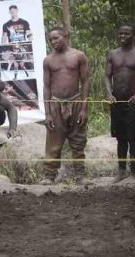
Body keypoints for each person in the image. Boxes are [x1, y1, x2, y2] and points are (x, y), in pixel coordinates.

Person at [42, 27, 89, 185]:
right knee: (53, 141)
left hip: (75, 102)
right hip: (56, 104)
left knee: (78, 140)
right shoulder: (48, 60)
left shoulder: (78, 56)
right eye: (51, 39)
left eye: (56, 38)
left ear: (65, 36)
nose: (53, 41)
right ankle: (49, 176)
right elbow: (47, 87)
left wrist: (83, 108)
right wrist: (47, 113)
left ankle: (80, 175)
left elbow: (85, 82)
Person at [104, 24, 135, 183]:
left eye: (126, 34)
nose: (122, 36)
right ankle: (121, 171)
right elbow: (107, 76)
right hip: (117, 102)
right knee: (121, 138)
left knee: (134, 138)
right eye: (120, 34)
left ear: (133, 35)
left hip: (133, 103)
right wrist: (109, 94)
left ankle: (134, 172)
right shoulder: (113, 54)